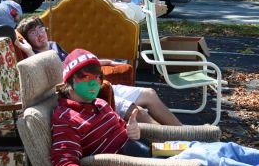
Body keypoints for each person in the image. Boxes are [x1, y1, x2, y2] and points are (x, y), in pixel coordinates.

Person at [51, 49, 259, 166]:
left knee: (222, 148)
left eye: (98, 76)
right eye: (84, 76)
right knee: (209, 161)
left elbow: (122, 131)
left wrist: (131, 130)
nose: (94, 82)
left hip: (153, 150)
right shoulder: (65, 118)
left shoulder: (100, 102)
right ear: (69, 80)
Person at [15, 17, 182, 126]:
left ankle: (185, 132)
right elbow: (55, 82)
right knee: (139, 111)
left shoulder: (53, 45)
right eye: (32, 32)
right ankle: (173, 143)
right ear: (27, 39)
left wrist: (105, 61)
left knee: (150, 93)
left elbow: (77, 63)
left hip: (96, 83)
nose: (39, 34)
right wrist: (29, 51)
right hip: (86, 93)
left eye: (40, 28)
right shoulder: (35, 58)